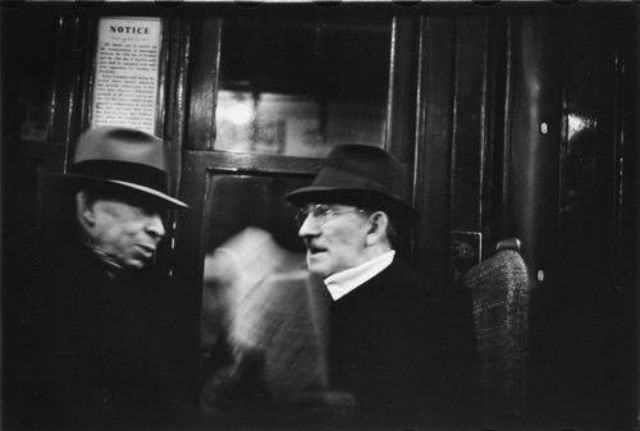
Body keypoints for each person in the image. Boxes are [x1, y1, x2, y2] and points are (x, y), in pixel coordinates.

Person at [13, 127, 192, 429]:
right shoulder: (37, 293)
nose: (159, 230)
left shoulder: (135, 286)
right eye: (142, 209)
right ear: (87, 208)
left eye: (161, 214)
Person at [286, 145, 477, 428]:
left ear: (374, 227)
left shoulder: (435, 307)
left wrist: (353, 412)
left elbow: (450, 416)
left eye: (324, 212)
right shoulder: (290, 297)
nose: (305, 230)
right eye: (305, 214)